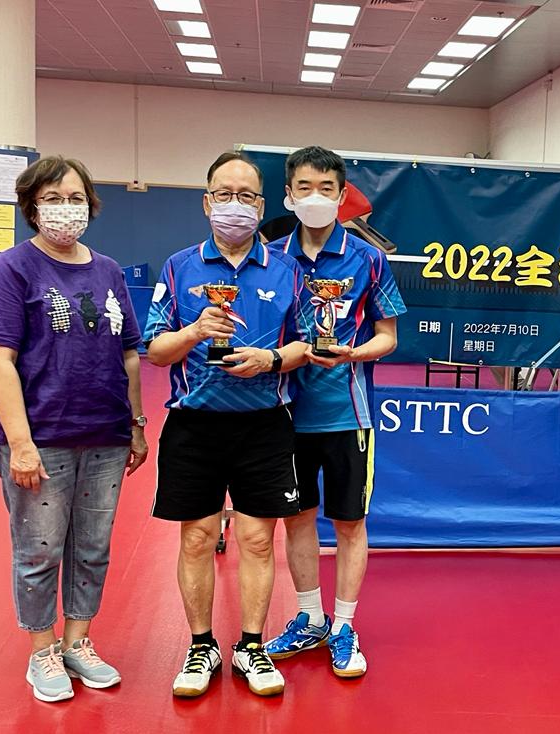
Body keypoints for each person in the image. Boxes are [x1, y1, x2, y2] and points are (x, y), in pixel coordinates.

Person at [0, 155, 149, 703]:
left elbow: (130, 354)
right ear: (31, 207)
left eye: (75, 199)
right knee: (40, 550)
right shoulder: (14, 267)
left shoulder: (109, 270)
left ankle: (77, 641)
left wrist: (136, 424)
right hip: (42, 438)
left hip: (105, 435)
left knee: (92, 548)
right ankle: (42, 650)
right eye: (52, 199)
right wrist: (21, 445)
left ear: (90, 205)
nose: (65, 209)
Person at [144, 152, 308, 698]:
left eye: (246, 196)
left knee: (259, 541)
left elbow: (308, 343)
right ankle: (201, 646)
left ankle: (251, 647)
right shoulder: (179, 267)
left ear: (261, 206)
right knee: (196, 538)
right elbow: (156, 351)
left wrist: (272, 359)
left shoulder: (287, 270)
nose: (234, 204)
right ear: (206, 202)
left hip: (264, 424)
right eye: (224, 194)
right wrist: (195, 331)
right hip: (195, 424)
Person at [265, 146, 406, 679]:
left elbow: (388, 337)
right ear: (288, 194)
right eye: (305, 187)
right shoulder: (271, 258)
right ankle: (309, 618)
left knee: (349, 522)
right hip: (285, 413)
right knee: (297, 518)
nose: (316, 197)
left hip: (349, 414)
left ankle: (344, 625)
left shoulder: (368, 258)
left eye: (327, 188)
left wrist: (352, 353)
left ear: (342, 194)